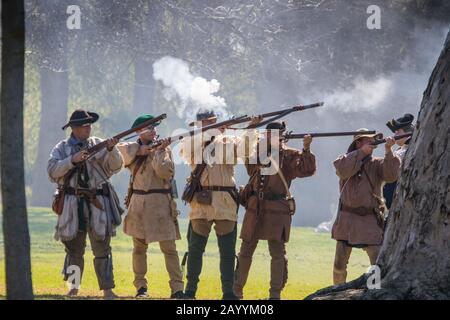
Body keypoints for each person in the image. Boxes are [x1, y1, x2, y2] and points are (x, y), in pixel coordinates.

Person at [180, 110, 260, 300]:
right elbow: (187, 152)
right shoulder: (192, 140)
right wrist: (209, 132)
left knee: (227, 252)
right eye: (209, 122)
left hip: (225, 201)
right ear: (200, 125)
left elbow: (246, 150)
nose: (215, 125)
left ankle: (228, 292)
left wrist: (251, 128)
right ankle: (190, 291)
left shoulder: (228, 141)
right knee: (195, 250)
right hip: (202, 201)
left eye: (215, 122)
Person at [233, 121, 316, 300]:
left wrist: (306, 148)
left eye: (273, 134)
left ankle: (275, 294)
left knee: (277, 254)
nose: (269, 136)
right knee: (245, 251)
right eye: (268, 134)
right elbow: (249, 169)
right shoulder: (259, 153)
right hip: (255, 208)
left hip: (277, 209)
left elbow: (306, 170)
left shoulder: (290, 154)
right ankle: (236, 291)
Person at [47, 109, 123, 299]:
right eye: (84, 125)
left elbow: (116, 166)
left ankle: (107, 289)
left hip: (98, 203)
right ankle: (73, 287)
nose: (88, 128)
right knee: (73, 250)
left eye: (89, 125)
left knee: (102, 250)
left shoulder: (100, 144)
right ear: (74, 128)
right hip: (72, 204)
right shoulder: (62, 148)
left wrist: (112, 150)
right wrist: (72, 160)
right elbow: (52, 171)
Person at [117, 114, 185, 299]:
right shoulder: (132, 149)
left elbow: (165, 172)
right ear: (139, 131)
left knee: (169, 249)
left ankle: (177, 289)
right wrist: (141, 150)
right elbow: (118, 151)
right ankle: (141, 288)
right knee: (139, 249)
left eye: (155, 127)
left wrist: (159, 151)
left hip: (161, 205)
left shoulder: (164, 149)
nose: (154, 130)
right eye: (150, 127)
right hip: (138, 204)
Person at [331, 129, 400, 285]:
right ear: (358, 143)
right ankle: (336, 291)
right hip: (346, 220)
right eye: (367, 140)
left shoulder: (376, 163)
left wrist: (389, 151)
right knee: (339, 265)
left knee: (376, 264)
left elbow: (391, 175)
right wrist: (361, 153)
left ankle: (374, 291)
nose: (371, 143)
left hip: (369, 220)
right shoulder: (346, 160)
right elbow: (342, 169)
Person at [383, 113, 414, 209]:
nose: (395, 135)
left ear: (407, 133)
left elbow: (393, 165)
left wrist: (388, 149)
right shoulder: (401, 149)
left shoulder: (409, 148)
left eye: (397, 132)